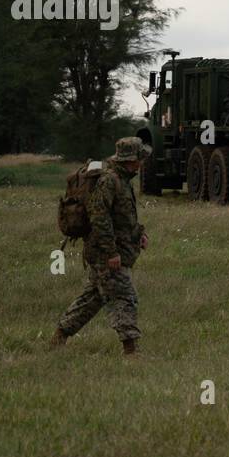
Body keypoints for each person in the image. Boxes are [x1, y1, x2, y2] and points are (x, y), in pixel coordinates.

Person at [51, 137, 150, 356]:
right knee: (125, 298)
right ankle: (131, 350)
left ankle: (59, 335)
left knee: (91, 300)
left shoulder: (123, 180)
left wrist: (139, 234)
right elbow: (99, 218)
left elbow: (123, 217)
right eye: (140, 158)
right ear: (130, 159)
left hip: (113, 250)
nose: (142, 162)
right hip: (106, 254)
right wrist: (110, 252)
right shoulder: (110, 181)